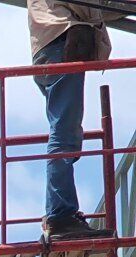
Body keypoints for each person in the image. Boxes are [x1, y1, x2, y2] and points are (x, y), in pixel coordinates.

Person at [29, 2, 117, 240]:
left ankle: (60, 213)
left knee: (64, 131)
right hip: (61, 43)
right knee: (64, 135)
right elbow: (93, 7)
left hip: (49, 47)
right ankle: (60, 215)